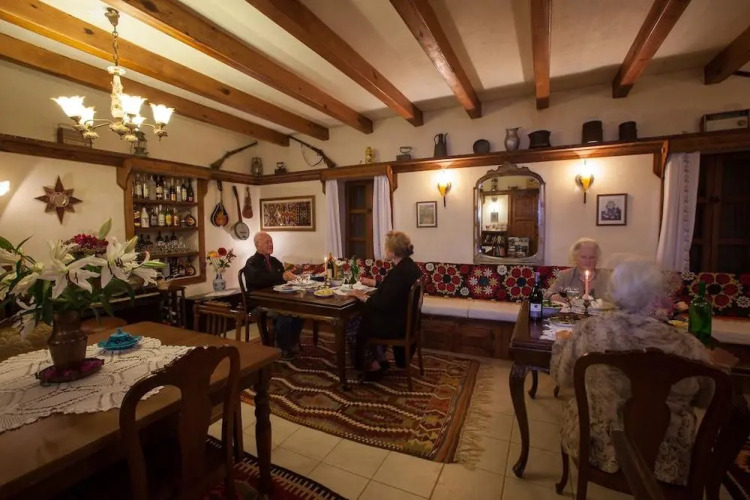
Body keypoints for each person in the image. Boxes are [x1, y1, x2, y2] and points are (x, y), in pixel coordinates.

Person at [550, 258, 715, 485]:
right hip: (666, 460)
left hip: (600, 447)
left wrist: (560, 344)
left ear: (613, 291)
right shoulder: (687, 345)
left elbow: (563, 378)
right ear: (655, 295)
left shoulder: (590, 331)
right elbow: (707, 398)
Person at [348, 231, 423, 379]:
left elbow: (383, 303)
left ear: (393, 252)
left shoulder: (400, 272)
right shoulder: (409, 266)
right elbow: (394, 289)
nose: (385, 250)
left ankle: (373, 365)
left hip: (396, 325)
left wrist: (361, 296)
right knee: (365, 316)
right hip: (407, 321)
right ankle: (380, 359)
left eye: (386, 247)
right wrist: (374, 282)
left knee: (354, 322)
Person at [243, 231, 303, 358]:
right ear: (258, 245)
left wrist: (291, 276)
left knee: (299, 312)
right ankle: (282, 349)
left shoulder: (275, 261)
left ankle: (291, 344)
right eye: (267, 242)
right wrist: (282, 276)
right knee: (284, 314)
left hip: (277, 300)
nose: (271, 244)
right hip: (258, 304)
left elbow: (282, 278)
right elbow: (259, 279)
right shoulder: (252, 262)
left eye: (271, 242)